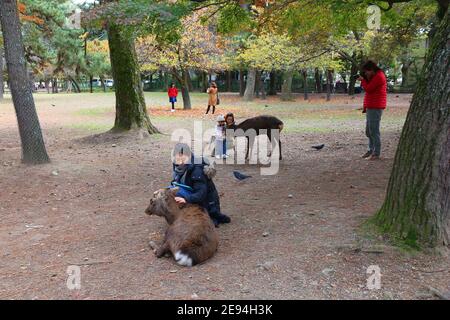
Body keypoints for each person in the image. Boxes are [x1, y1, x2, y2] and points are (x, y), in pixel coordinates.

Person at [171, 143, 231, 227]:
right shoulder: (179, 167)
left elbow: (201, 194)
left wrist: (185, 199)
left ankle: (213, 215)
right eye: (177, 156)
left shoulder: (197, 170)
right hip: (192, 193)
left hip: (206, 203)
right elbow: (175, 183)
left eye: (182, 155)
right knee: (170, 191)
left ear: (189, 155)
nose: (179, 158)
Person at [358, 60, 387, 161]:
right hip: (371, 106)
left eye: (366, 71)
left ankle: (376, 153)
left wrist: (363, 80)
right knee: (368, 131)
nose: (365, 73)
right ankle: (371, 149)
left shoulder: (379, 76)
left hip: (376, 106)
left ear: (372, 70)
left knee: (374, 130)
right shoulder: (374, 76)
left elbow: (369, 88)